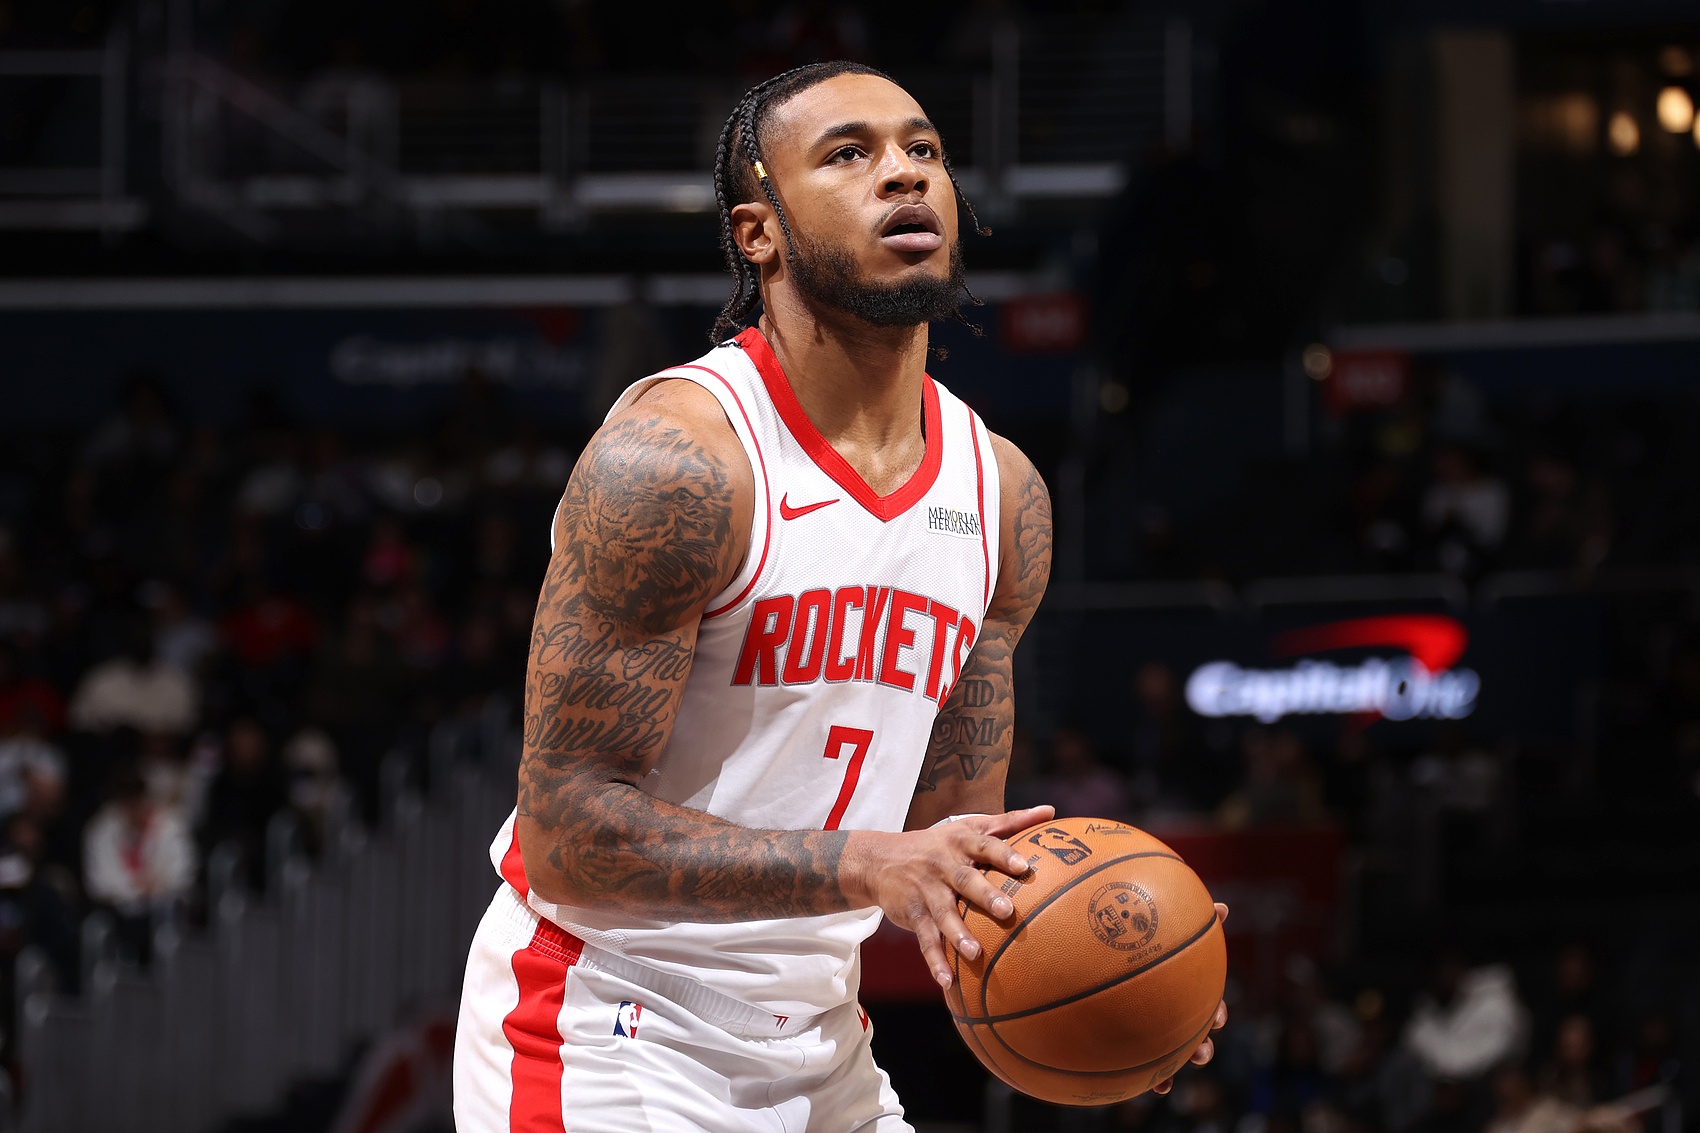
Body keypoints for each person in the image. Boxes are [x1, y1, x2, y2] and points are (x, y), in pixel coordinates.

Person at [453, 61, 1227, 1132]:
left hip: (821, 1034)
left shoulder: (1001, 493)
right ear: (758, 232)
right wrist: (867, 861)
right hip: (607, 1019)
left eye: (923, 149)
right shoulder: (679, 462)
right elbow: (568, 828)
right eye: (848, 154)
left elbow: (950, 840)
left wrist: (1130, 963)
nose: (903, 174)